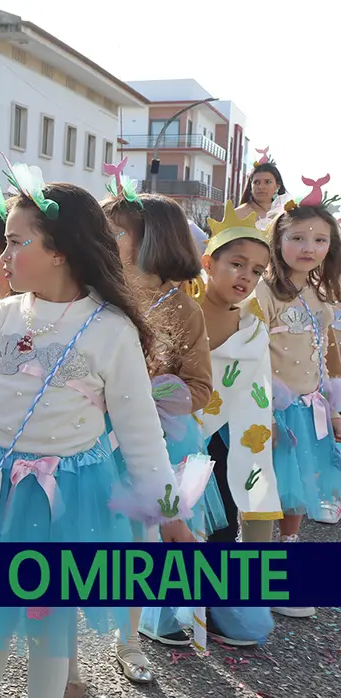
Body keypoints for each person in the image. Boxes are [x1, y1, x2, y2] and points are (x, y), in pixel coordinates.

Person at [0, 173, 194, 698]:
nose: (3, 256)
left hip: (68, 500)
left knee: (50, 630)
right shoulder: (2, 315)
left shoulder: (111, 329)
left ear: (60, 251)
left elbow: (140, 432)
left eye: (15, 241)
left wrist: (170, 515)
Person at [104, 189, 218, 682]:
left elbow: (200, 388)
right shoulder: (95, 291)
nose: (104, 239)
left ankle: (128, 640)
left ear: (152, 241)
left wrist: (144, 389)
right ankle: (53, 647)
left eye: (116, 232)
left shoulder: (185, 310)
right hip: (87, 436)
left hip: (153, 441)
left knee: (136, 544)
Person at [186, 202, 278, 646]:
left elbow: (257, 385)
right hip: (178, 436)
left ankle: (215, 604)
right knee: (173, 521)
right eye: (236, 263)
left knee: (223, 523)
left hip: (228, 440)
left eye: (257, 271)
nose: (246, 276)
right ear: (209, 262)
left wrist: (264, 430)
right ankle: (168, 606)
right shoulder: (180, 309)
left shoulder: (253, 327)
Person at [256, 200, 341, 619]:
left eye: (320, 239)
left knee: (300, 490)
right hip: (271, 409)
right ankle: (259, 574)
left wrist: (331, 401)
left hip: (311, 408)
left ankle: (287, 566)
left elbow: (326, 348)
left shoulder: (320, 290)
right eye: (298, 238)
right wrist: (265, 411)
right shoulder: (264, 290)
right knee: (263, 491)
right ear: (279, 240)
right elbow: (251, 354)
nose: (309, 247)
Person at [236, 161, 287, 226]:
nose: (261, 187)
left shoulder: (285, 213)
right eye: (257, 182)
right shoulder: (239, 213)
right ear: (250, 186)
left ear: (278, 186)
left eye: (268, 182)